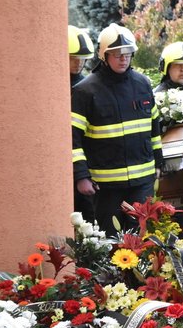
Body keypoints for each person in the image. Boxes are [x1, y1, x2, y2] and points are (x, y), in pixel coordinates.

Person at [72, 23, 163, 235]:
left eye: (127, 53)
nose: (123, 58)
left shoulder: (143, 84)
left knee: (142, 241)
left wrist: (158, 163)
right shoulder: (85, 91)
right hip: (106, 186)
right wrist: (81, 176)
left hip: (142, 181)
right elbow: (73, 138)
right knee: (111, 243)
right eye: (117, 54)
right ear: (104, 56)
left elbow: (154, 126)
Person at [69, 25, 97, 224]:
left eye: (82, 58)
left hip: (86, 165)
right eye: (73, 58)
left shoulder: (87, 87)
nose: (78, 63)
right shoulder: (51, 83)